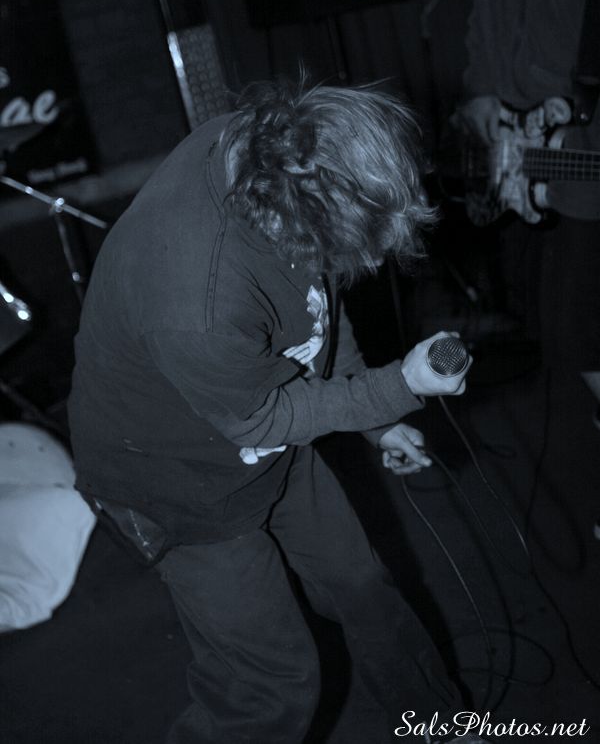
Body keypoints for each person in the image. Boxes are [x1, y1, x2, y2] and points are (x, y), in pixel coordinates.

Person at [68, 79, 487, 744]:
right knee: (270, 685)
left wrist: (375, 419)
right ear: (305, 206)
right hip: (174, 481)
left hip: (261, 436)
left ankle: (439, 727)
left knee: (363, 589)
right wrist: (398, 386)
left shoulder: (275, 155)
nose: (373, 261)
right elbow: (263, 416)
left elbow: (318, 307)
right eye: (360, 245)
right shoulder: (196, 298)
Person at [448, 0, 600, 370]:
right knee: (565, 342)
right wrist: (481, 89)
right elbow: (479, 20)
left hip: (584, 168)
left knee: (580, 338)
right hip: (523, 163)